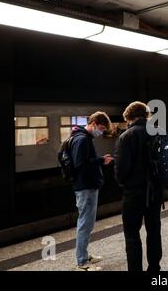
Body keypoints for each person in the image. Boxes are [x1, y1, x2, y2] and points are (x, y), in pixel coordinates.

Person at [115, 101, 163, 272]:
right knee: (154, 230)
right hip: (155, 192)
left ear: (129, 117)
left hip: (134, 193)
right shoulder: (159, 132)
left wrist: (125, 184)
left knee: (132, 234)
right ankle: (154, 267)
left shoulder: (127, 136)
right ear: (146, 115)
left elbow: (121, 170)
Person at [70, 111, 113, 271]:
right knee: (85, 224)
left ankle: (84, 254)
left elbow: (85, 161)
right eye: (101, 128)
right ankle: (81, 263)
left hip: (87, 186)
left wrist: (100, 160)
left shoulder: (82, 138)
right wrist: (101, 160)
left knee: (87, 224)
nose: (100, 132)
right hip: (85, 187)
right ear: (93, 123)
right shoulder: (82, 139)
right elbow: (80, 164)